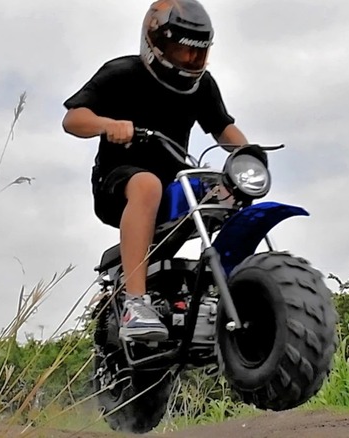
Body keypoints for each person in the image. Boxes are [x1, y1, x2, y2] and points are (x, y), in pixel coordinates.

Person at [61, 0, 248, 343]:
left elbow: (223, 128)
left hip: (176, 182)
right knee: (147, 184)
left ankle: (237, 288)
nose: (189, 59)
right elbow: (73, 119)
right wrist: (108, 125)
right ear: (156, 43)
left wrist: (248, 155)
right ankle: (135, 303)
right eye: (181, 50)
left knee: (227, 190)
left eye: (197, 52)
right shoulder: (122, 73)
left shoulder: (202, 86)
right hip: (117, 181)